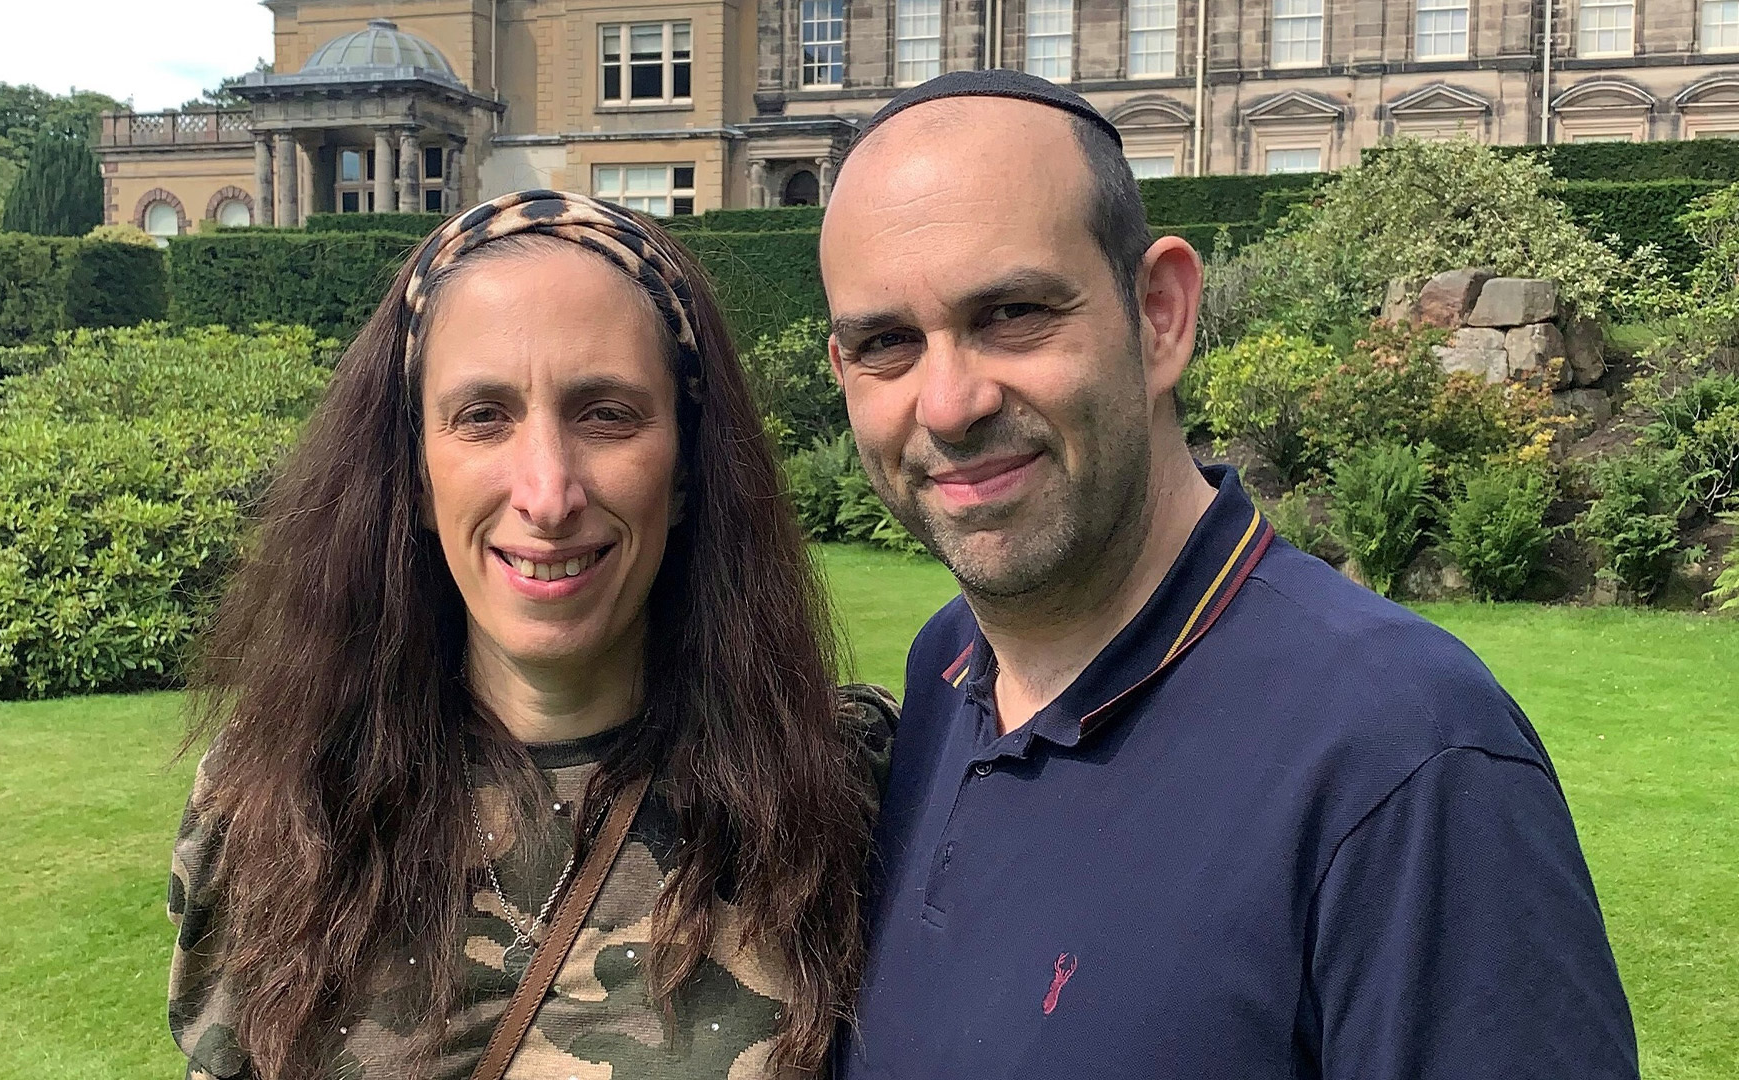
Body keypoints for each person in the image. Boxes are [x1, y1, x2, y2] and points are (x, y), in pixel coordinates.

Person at [820, 70, 1637, 1079]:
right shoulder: (948, 668)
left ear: (1160, 315)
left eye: (1014, 312)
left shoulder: (1405, 756)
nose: (948, 404)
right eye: (886, 343)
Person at [167, 191, 892, 1080]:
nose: (547, 496)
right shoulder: (273, 798)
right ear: (417, 476)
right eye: (483, 416)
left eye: (606, 413)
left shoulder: (843, 790)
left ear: (685, 471)